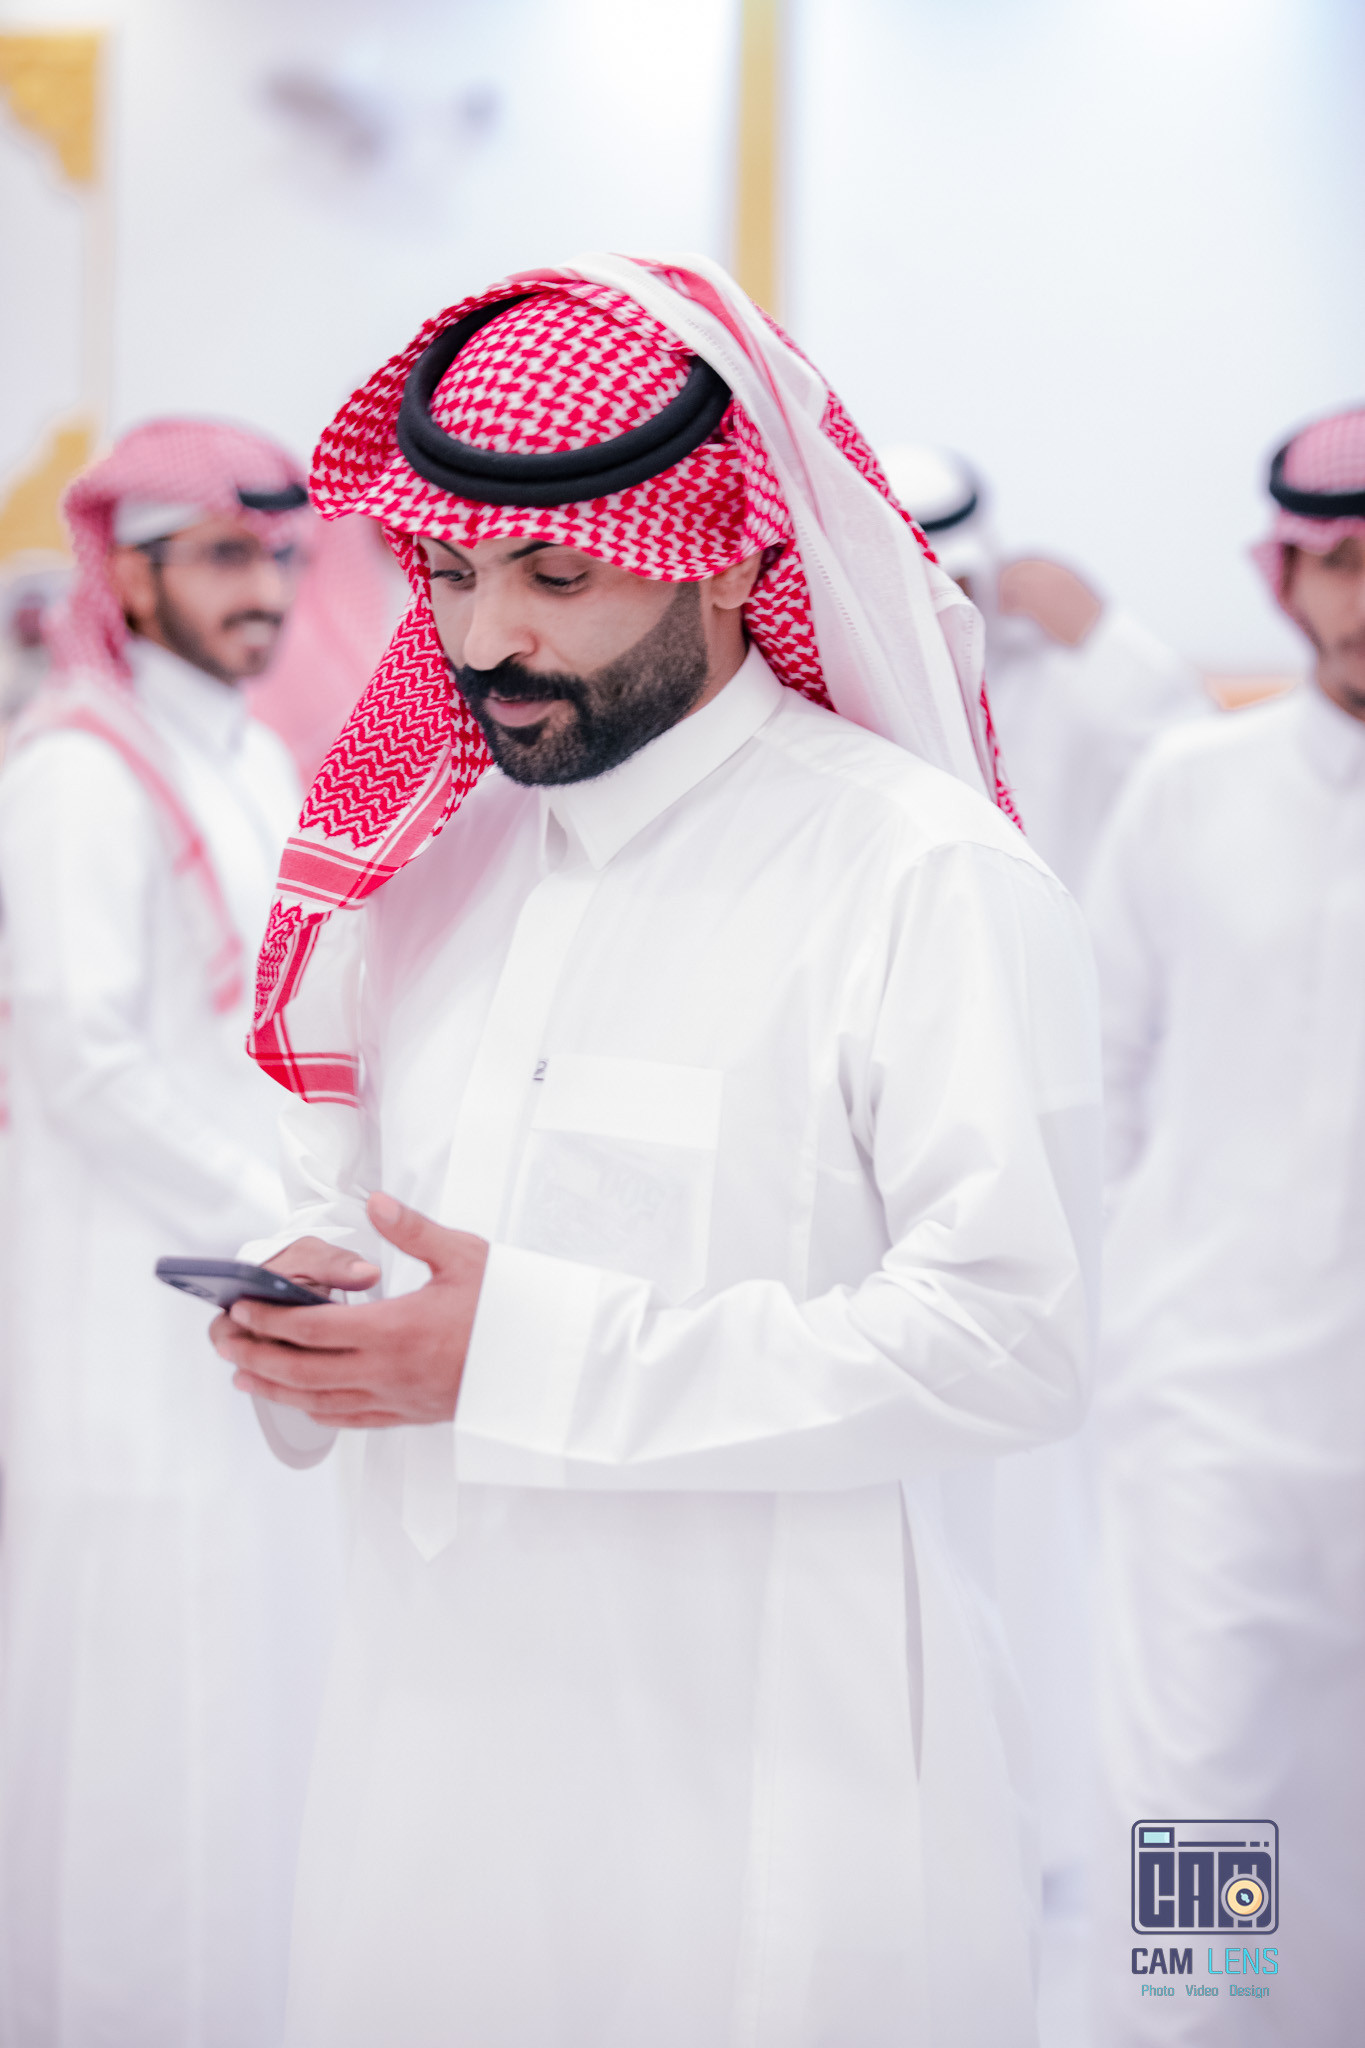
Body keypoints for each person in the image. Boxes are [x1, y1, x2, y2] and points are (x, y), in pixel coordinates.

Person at [210, 259, 1100, 2048]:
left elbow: (1014, 1338)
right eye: (448, 572)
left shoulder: (914, 874)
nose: (485, 640)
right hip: (424, 1764)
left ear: (727, 557)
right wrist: (321, 1318)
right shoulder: (436, 867)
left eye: (558, 576)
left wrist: (512, 1354)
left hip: (759, 1780)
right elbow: (367, 1214)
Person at [0, 420, 348, 2047]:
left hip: (246, 1293)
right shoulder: (75, 769)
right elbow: (82, 1065)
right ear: (127, 574)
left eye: (276, 554)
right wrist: (265, 1216)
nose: (261, 587)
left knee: (252, 1678)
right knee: (144, 1700)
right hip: (120, 1311)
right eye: (220, 555)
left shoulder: (255, 757)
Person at [1084, 405, 1365, 2044]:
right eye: (1342, 560)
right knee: (1203, 1805)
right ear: (1285, 576)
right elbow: (1100, 1072)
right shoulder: (1192, 789)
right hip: (1210, 1418)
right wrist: (1143, 1300)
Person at [880, 444, 1208, 893]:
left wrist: (1101, 637)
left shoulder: (1063, 664)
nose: (936, 606)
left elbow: (1196, 772)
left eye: (951, 583)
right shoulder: (835, 688)